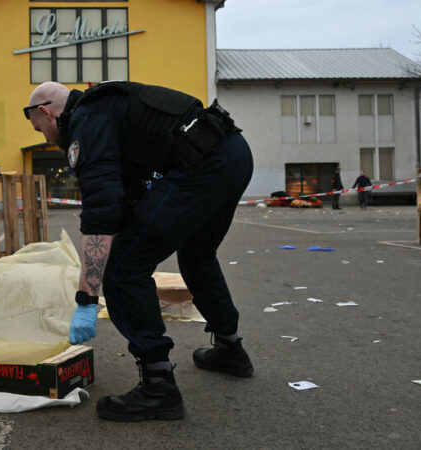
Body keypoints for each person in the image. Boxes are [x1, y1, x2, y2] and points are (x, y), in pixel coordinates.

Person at [25, 81, 254, 422]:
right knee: (197, 255)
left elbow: (102, 209)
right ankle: (230, 348)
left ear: (46, 111)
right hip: (232, 155)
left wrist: (87, 299)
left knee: (122, 270)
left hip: (203, 166)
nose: (44, 136)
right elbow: (127, 196)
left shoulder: (87, 120)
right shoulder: (104, 110)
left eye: (39, 128)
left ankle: (158, 386)